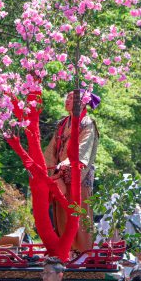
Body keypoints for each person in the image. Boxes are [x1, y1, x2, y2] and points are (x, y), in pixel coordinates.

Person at [44, 90, 100, 252]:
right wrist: (48, 168)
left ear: (82, 103)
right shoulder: (62, 123)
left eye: (71, 98)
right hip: (60, 173)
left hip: (78, 176)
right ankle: (65, 249)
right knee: (61, 213)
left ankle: (82, 251)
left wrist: (68, 163)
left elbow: (84, 150)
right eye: (67, 97)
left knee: (79, 213)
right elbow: (51, 150)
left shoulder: (88, 123)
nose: (67, 100)